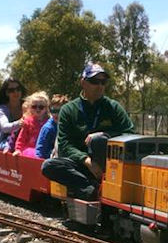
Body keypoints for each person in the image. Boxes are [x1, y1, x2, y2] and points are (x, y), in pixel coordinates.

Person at [41, 63, 134, 200]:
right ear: (83, 82)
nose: (100, 86)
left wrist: (106, 134)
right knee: (49, 166)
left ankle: (91, 189)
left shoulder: (113, 107)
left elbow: (130, 133)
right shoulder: (68, 110)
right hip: (81, 165)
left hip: (109, 165)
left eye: (103, 82)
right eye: (94, 81)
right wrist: (86, 161)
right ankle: (91, 189)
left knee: (98, 140)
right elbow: (65, 144)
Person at [13, 91, 50, 158]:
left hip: (45, 149)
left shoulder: (49, 122)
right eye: (34, 107)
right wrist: (18, 149)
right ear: (30, 108)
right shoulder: (28, 122)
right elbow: (21, 138)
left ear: (46, 108)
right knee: (33, 154)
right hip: (30, 149)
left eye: (41, 107)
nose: (37, 109)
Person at [0, 77, 25, 151]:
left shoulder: (29, 105)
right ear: (6, 93)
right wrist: (19, 123)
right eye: (11, 90)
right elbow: (5, 128)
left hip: (24, 140)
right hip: (4, 144)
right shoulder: (2, 109)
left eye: (18, 89)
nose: (16, 92)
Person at [35, 94, 68, 160]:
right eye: (53, 111)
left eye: (59, 111)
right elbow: (40, 151)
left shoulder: (69, 125)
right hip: (50, 161)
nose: (55, 114)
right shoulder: (48, 128)